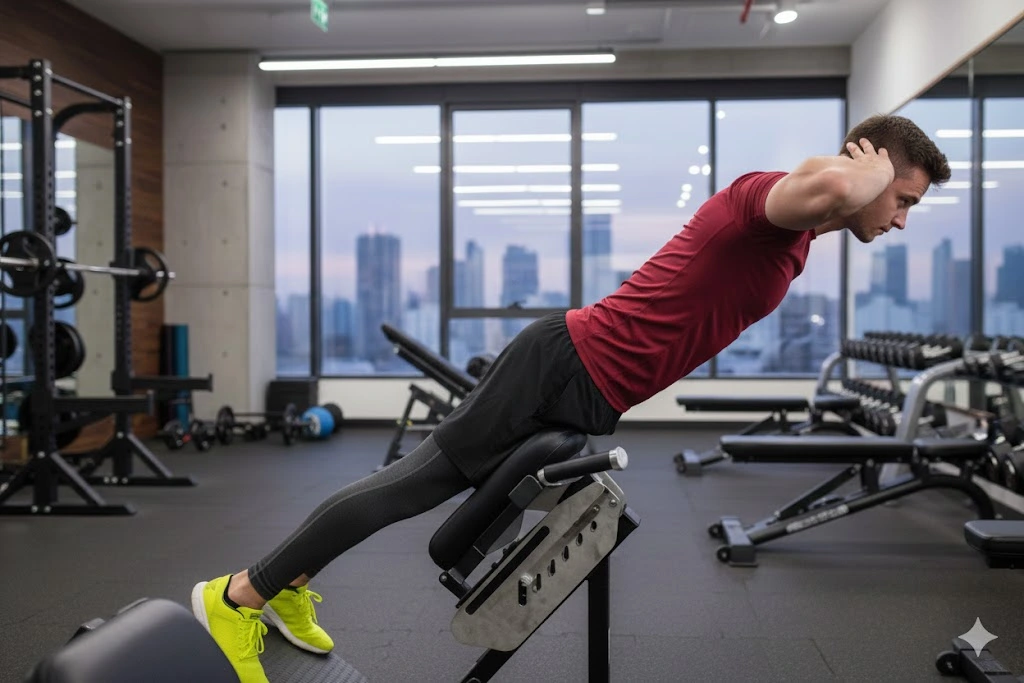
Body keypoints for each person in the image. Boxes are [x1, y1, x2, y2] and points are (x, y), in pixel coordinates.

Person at [191, 114, 951, 682]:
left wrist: (874, 178)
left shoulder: (797, 237)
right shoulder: (772, 200)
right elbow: (831, 185)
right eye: (903, 197)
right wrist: (870, 171)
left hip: (592, 388)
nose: (899, 217)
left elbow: (831, 201)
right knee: (412, 485)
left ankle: (289, 582)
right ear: (875, 170)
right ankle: (239, 594)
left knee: (471, 511)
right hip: (565, 363)